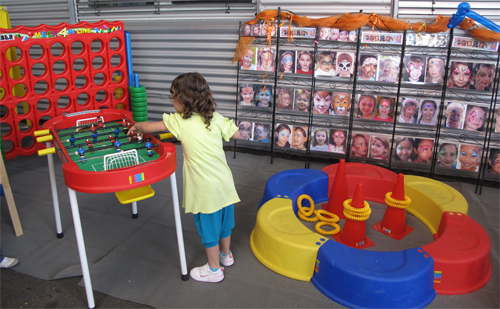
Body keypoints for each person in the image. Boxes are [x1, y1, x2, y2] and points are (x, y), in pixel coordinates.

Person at [127, 72, 240, 282]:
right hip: (224, 182)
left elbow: (149, 127)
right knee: (225, 222)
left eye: (173, 97)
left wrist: (136, 126)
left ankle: (214, 270)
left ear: (183, 99)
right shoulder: (214, 117)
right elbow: (236, 134)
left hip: (205, 188)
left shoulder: (179, 122)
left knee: (208, 228)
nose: (172, 102)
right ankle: (226, 255)